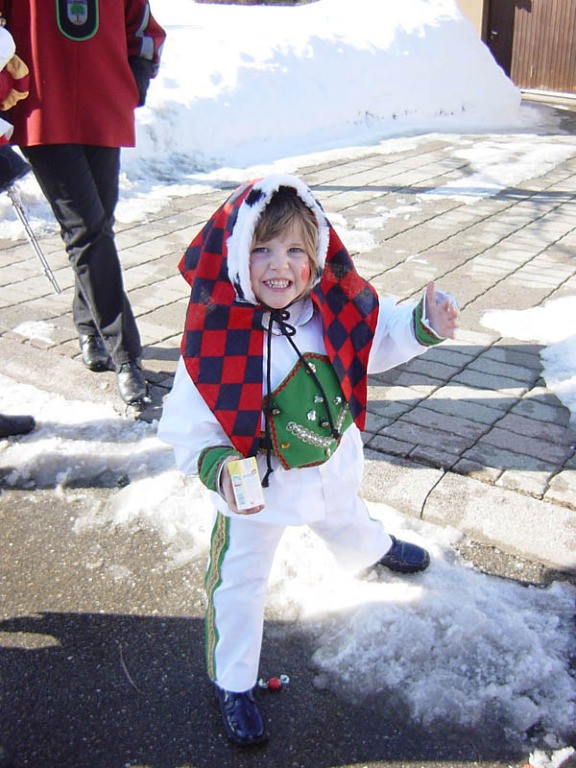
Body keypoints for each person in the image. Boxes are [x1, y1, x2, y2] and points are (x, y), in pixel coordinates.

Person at [158, 175, 460, 746]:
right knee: (239, 580)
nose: (279, 265)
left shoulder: (330, 311)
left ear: (316, 256)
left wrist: (423, 323)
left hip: (329, 466)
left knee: (344, 516)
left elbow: (377, 336)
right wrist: (218, 465)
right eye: (262, 249)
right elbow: (188, 423)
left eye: (295, 249)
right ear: (235, 253)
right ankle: (235, 680)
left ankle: (372, 549)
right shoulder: (215, 336)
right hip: (257, 492)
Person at [0, 0, 166, 405]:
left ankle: (89, 327)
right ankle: (126, 353)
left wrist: (134, 79)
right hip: (42, 110)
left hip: (104, 104)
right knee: (87, 231)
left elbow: (143, 27)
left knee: (98, 227)